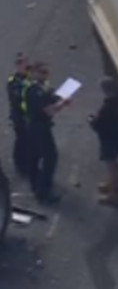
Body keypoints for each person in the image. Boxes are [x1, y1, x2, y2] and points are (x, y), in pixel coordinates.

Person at [23, 62, 69, 204]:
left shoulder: (42, 86)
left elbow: (51, 96)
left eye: (46, 72)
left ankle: (36, 184)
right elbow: (48, 110)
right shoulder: (33, 90)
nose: (45, 75)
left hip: (35, 126)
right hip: (39, 126)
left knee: (35, 156)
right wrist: (62, 104)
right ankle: (43, 191)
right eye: (42, 72)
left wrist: (59, 97)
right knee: (50, 157)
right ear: (34, 72)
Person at [90, 77, 118, 205]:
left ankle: (114, 194)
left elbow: (98, 124)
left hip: (109, 138)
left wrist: (91, 121)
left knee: (111, 164)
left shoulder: (108, 106)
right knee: (113, 164)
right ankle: (111, 185)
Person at [6, 53, 31, 178]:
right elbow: (17, 97)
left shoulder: (27, 77)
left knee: (27, 139)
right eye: (24, 63)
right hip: (19, 117)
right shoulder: (14, 81)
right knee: (21, 140)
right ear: (18, 65)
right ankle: (20, 163)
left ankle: (27, 161)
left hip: (28, 115)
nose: (27, 65)